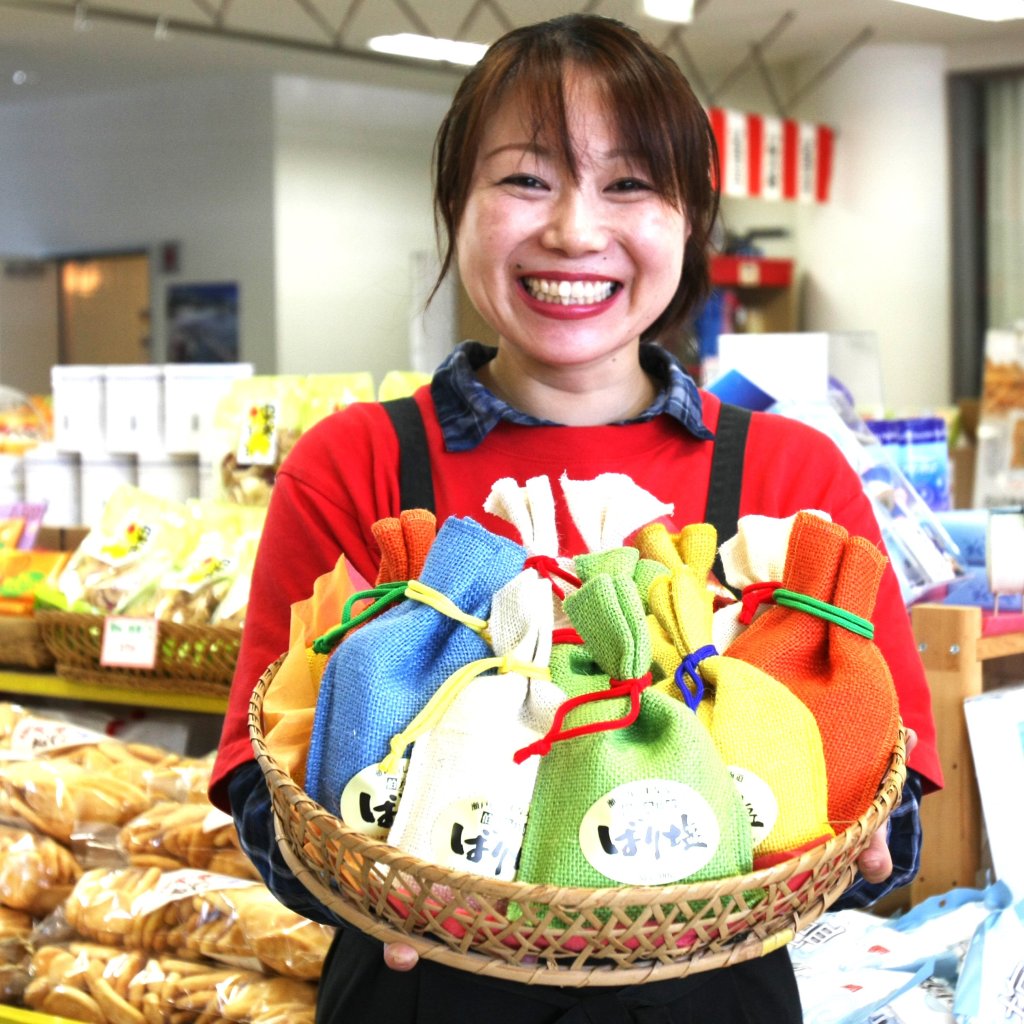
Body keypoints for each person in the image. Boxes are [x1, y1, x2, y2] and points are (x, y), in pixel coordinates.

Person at [209, 13, 941, 1023]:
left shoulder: (788, 475)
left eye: (629, 183)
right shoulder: (359, 463)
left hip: (709, 999)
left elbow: (889, 794)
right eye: (523, 178)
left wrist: (850, 850)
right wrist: (361, 885)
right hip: (419, 997)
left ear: (689, 223)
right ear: (454, 208)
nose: (574, 230)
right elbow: (262, 773)